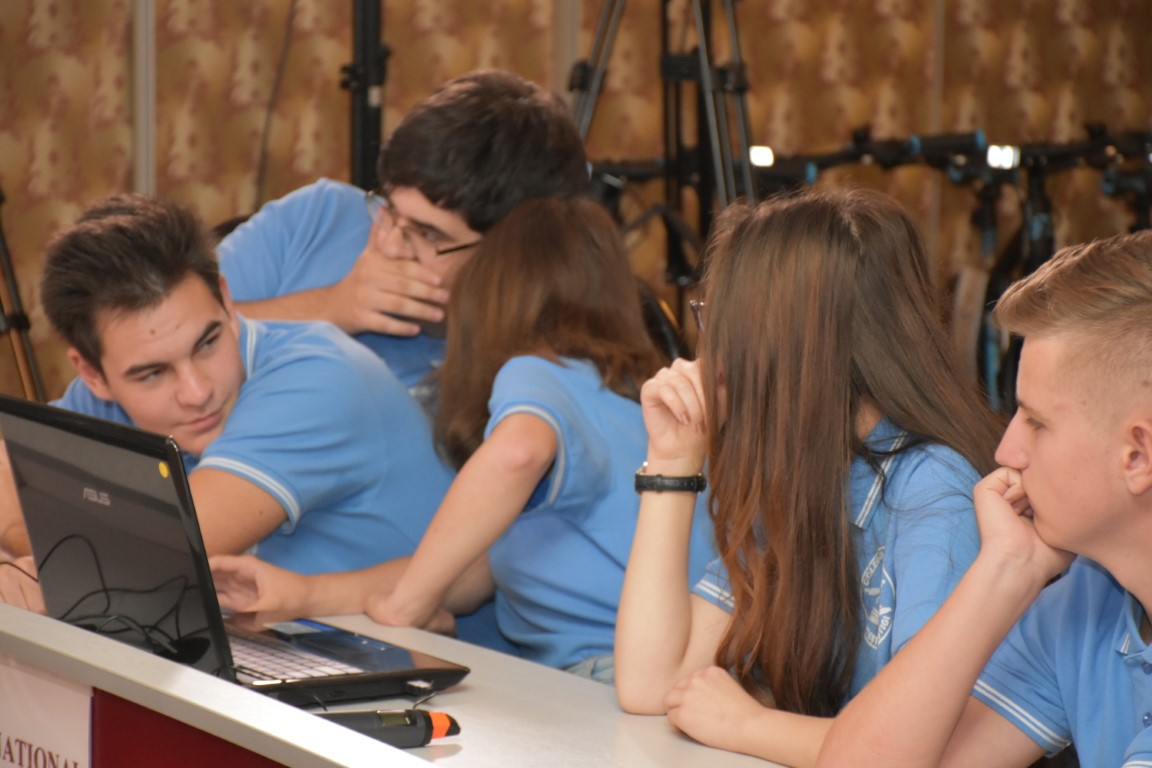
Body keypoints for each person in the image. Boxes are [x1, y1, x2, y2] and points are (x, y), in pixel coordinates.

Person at [209, 196, 717, 680]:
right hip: (691, 658)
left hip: (607, 666)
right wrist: (305, 594)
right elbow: (473, 573)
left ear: (490, 299)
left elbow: (519, 453)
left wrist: (407, 603)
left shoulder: (538, 370)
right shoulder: (628, 406)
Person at [614, 188, 1004, 765]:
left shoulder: (935, 493)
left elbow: (931, 748)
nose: (709, 346)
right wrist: (671, 462)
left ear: (786, 341)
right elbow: (652, 685)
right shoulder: (806, 469)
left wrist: (749, 725)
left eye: (719, 319)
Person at [0, 194, 453, 609]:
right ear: (92, 374)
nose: (197, 392)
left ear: (228, 304)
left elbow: (152, 558)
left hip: (434, 660)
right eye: (153, 374)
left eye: (207, 344)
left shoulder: (320, 377)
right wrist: (36, 551)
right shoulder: (110, 386)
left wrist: (27, 544)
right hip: (283, 646)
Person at [817, 230, 1152, 768]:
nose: (1005, 450)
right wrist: (1007, 568)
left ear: (1138, 456)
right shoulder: (1093, 597)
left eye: (1036, 423)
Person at [216, 69, 589, 393]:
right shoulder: (317, 215)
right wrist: (333, 307)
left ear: (512, 257)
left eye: (428, 235)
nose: (390, 246)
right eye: (389, 209)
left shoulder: (536, 374)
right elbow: (182, 329)